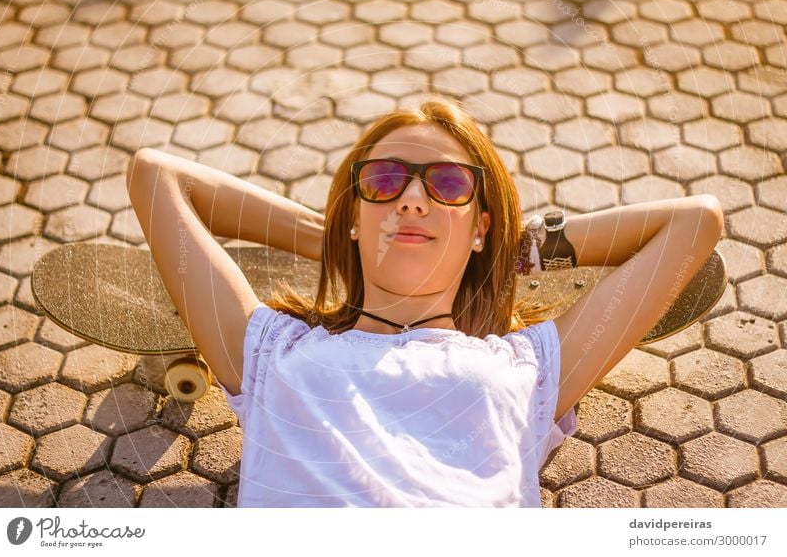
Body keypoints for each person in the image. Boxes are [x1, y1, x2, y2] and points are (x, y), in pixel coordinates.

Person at [126, 97, 724, 507]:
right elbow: (156, 177)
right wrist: (337, 235)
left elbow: (696, 222)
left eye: (448, 184)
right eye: (384, 182)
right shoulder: (271, 352)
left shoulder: (528, 366)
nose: (412, 199)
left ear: (482, 225)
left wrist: (514, 248)